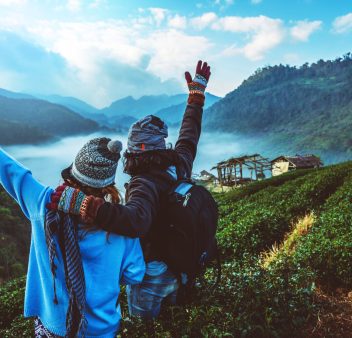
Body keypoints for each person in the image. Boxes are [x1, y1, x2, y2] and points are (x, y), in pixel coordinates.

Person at [48, 60, 211, 319]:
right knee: (177, 318)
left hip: (155, 270)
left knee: (142, 327)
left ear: (142, 148)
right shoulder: (179, 162)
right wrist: (196, 97)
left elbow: (137, 221)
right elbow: (189, 136)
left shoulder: (143, 182)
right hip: (180, 264)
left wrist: (89, 206)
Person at [0, 137, 145, 337]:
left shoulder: (45, 205)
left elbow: (10, 170)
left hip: (55, 325)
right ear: (108, 186)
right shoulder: (122, 227)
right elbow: (134, 274)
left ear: (72, 175)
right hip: (102, 329)